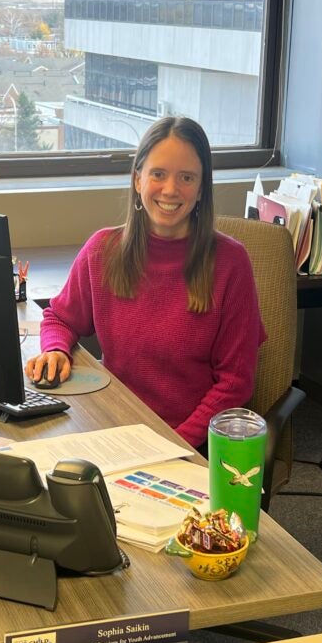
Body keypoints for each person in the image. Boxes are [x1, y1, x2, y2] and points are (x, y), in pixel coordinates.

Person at [24, 116, 265, 449]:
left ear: (200, 188)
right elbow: (60, 317)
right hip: (111, 424)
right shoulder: (103, 250)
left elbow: (234, 383)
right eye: (158, 174)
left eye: (186, 177)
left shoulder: (230, 263)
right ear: (138, 179)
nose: (170, 189)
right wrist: (55, 349)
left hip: (188, 439)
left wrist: (174, 445)